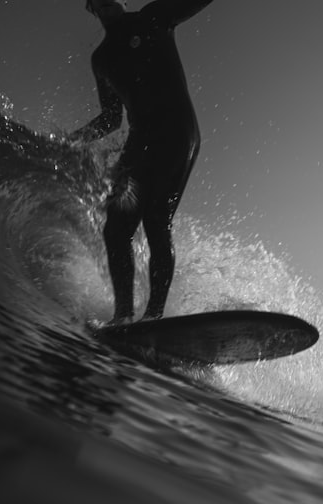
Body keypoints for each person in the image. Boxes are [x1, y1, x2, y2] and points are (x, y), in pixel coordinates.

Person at [71, 0, 214, 324]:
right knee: (116, 229)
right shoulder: (102, 59)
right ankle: (123, 317)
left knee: (156, 220)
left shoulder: (154, 17)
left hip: (178, 131)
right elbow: (110, 118)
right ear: (90, 8)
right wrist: (73, 139)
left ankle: (153, 317)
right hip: (142, 139)